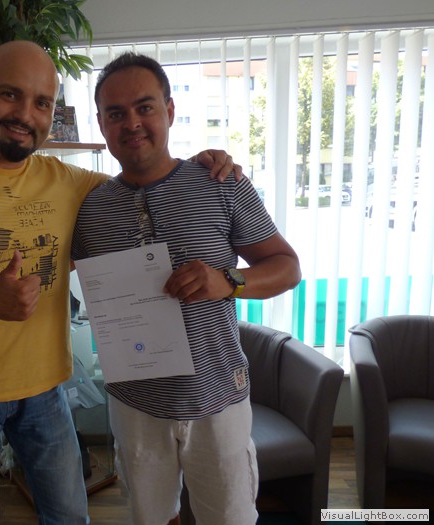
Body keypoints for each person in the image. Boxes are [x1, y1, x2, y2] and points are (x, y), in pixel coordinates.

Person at [0, 40, 240, 525]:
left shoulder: (71, 184)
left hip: (44, 389)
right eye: (9, 95)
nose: (25, 114)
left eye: (41, 103)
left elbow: (145, 183)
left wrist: (203, 167)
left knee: (69, 517)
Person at [71, 52, 302, 525]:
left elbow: (287, 267)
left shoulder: (221, 184)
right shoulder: (89, 209)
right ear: (102, 124)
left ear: (170, 111)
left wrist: (228, 281)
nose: (132, 123)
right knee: (152, 518)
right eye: (116, 114)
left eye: (144, 107)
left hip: (217, 398)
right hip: (135, 403)